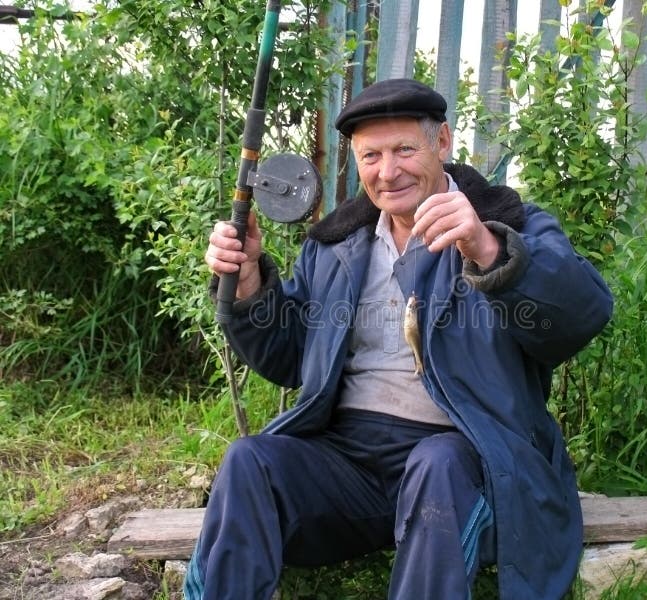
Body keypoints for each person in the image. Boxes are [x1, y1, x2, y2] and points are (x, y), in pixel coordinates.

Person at [184, 78, 613, 600]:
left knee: (438, 463)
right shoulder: (338, 242)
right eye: (371, 156)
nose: (388, 172)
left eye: (405, 149)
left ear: (443, 142)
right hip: (347, 459)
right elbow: (291, 355)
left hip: (465, 458)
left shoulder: (505, 220)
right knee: (249, 462)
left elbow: (581, 316)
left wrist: (488, 250)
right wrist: (249, 280)